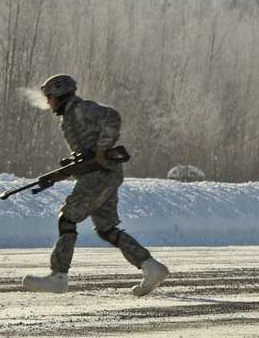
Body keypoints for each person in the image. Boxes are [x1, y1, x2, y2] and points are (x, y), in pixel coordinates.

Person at [21, 74, 170, 296]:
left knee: (68, 217)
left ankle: (58, 276)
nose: (49, 103)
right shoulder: (69, 117)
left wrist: (102, 149)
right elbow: (86, 155)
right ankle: (151, 267)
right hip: (102, 174)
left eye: (51, 98)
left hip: (101, 174)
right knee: (107, 229)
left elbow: (112, 119)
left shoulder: (81, 109)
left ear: (61, 95)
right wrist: (67, 172)